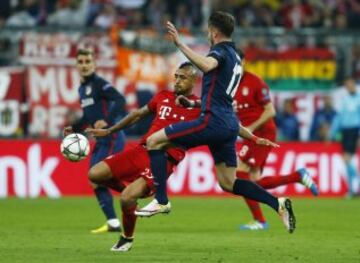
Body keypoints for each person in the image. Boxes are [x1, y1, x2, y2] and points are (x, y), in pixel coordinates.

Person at [136, 11, 297, 234]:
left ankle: (161, 200)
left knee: (154, 141)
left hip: (212, 122)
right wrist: (194, 106)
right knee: (228, 182)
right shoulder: (237, 58)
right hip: (228, 124)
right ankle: (277, 203)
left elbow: (207, 65)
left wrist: (179, 44)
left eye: (207, 30)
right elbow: (220, 98)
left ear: (214, 31)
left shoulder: (219, 51)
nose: (207, 33)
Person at [85, 62, 201, 251]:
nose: (177, 81)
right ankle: (129, 194)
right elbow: (138, 114)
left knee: (126, 199)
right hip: (141, 150)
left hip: (163, 159)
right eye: (176, 76)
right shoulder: (163, 96)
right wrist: (110, 130)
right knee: (94, 175)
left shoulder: (199, 108)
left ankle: (126, 239)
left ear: (194, 80)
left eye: (183, 77)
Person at [233, 66, 318, 231]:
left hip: (262, 133)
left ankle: (260, 220)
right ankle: (297, 176)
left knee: (240, 173)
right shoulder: (231, 83)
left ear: (242, 62)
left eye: (238, 63)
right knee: (254, 183)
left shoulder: (255, 82)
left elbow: (270, 111)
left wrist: (250, 127)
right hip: (251, 134)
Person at [63, 49, 126, 233]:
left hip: (111, 136)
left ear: (94, 64)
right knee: (94, 179)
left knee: (97, 177)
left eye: (87, 61)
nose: (84, 65)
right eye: (80, 62)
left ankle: (133, 193)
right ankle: (113, 223)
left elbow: (120, 100)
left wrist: (107, 121)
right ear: (76, 65)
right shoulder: (82, 89)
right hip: (100, 141)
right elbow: (87, 116)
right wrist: (74, 128)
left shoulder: (99, 84)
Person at [330, 77, 360, 198]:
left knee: (346, 159)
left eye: (351, 83)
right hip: (345, 132)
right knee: (346, 160)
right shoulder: (344, 100)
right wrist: (332, 132)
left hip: (354, 130)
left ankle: (353, 186)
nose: (349, 86)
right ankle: (352, 189)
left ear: (354, 84)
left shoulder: (358, 99)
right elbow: (339, 118)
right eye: (347, 84)